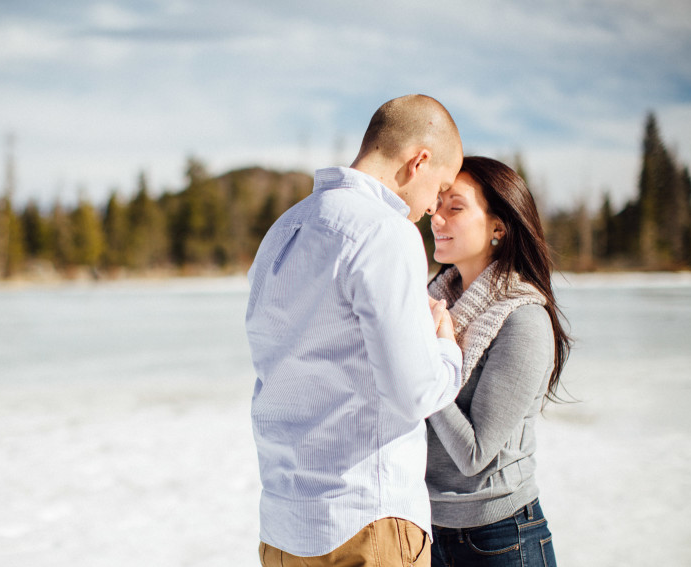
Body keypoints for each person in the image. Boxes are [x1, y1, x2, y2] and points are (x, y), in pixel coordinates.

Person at [245, 94, 464, 567]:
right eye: (440, 187)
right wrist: (445, 347)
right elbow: (414, 393)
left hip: (284, 527)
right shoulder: (387, 232)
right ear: (418, 161)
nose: (432, 208)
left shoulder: (284, 230)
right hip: (366, 523)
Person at [424, 156, 572, 566]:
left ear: (498, 228)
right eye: (436, 206)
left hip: (501, 540)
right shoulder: (432, 306)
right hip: (428, 532)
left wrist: (430, 358)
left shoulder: (522, 319)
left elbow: (474, 455)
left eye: (455, 207)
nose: (436, 218)